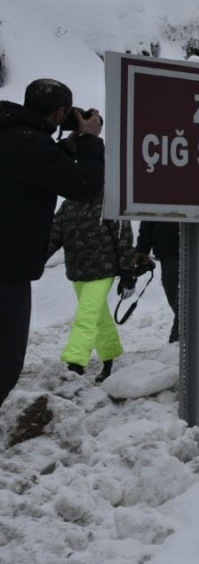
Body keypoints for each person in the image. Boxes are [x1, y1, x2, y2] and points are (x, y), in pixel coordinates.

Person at [0, 79, 106, 409]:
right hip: (8, 269)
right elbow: (86, 185)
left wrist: (63, 150)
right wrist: (88, 140)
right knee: (5, 362)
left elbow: (26, 172)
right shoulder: (32, 145)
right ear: (61, 112)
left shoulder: (13, 136)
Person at [47, 192, 148, 381]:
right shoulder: (68, 205)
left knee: (86, 316)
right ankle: (111, 357)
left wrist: (128, 275)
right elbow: (54, 236)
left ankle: (74, 366)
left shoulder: (110, 203)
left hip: (103, 270)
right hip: (78, 272)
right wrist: (33, 262)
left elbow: (124, 239)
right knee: (99, 316)